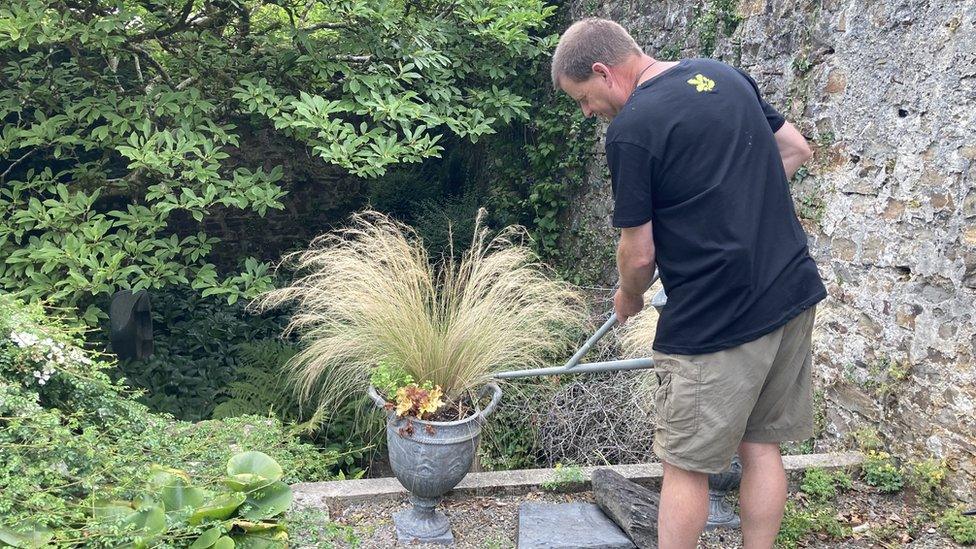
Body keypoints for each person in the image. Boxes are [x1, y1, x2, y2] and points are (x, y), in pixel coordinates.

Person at [550, 18, 827, 549]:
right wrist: (736, 205)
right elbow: (794, 149)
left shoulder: (632, 129)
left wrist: (629, 296)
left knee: (684, 466)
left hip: (717, 316)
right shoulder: (721, 74)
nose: (586, 112)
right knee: (761, 446)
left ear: (604, 72)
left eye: (582, 98)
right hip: (790, 290)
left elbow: (639, 252)